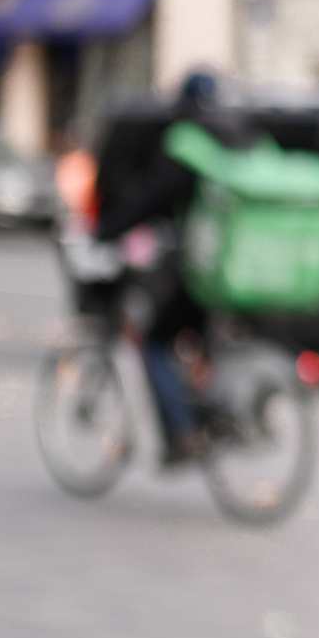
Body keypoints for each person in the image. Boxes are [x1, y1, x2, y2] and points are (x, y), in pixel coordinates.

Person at [94, 69, 256, 465]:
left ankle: (183, 433)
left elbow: (150, 197)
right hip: (250, 265)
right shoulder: (244, 137)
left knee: (155, 340)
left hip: (206, 265)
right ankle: (212, 408)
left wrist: (106, 229)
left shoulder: (188, 144)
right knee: (200, 333)